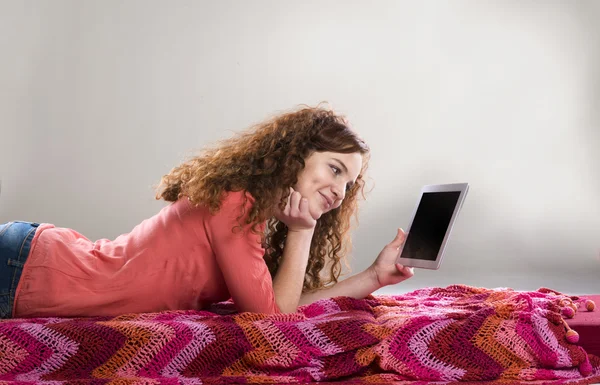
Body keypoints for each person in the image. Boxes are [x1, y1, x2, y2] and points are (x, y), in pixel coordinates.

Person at [0, 104, 414, 319]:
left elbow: (276, 302)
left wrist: (374, 277)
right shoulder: (236, 203)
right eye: (335, 170)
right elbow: (272, 320)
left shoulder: (253, 211)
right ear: (297, 156)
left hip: (31, 260)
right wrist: (303, 232)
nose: (340, 193)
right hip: (26, 269)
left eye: (349, 184)